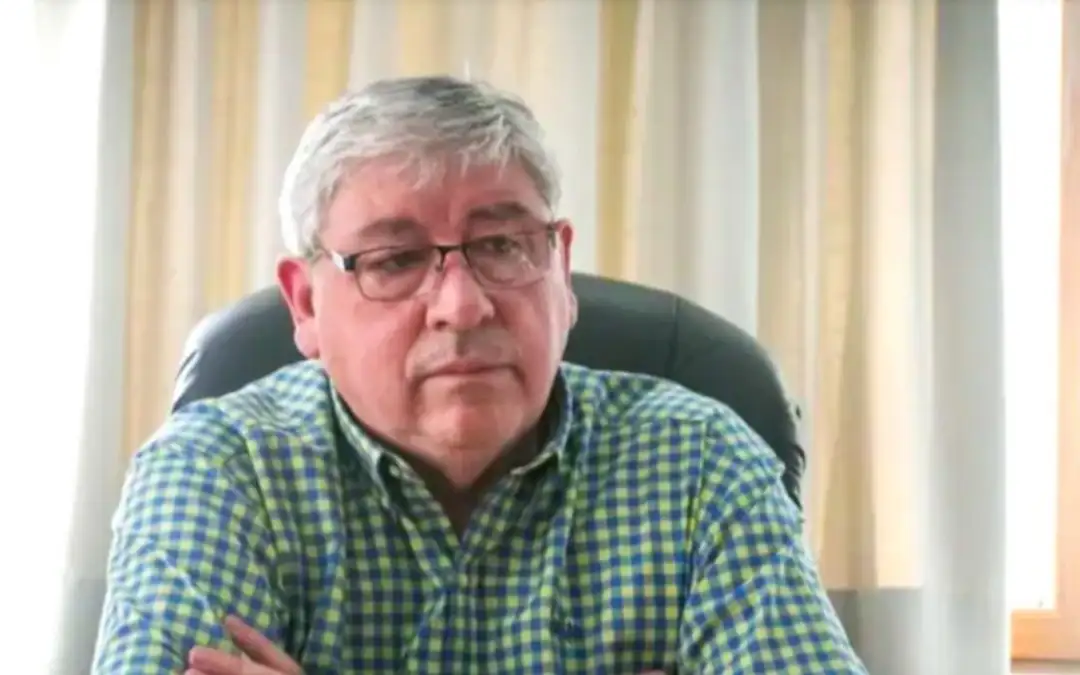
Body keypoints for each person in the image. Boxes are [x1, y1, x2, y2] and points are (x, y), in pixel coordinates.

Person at [92, 75, 865, 675]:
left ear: (561, 268)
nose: (462, 306)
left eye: (501, 246)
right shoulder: (218, 470)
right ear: (306, 304)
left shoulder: (699, 461)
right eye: (395, 260)